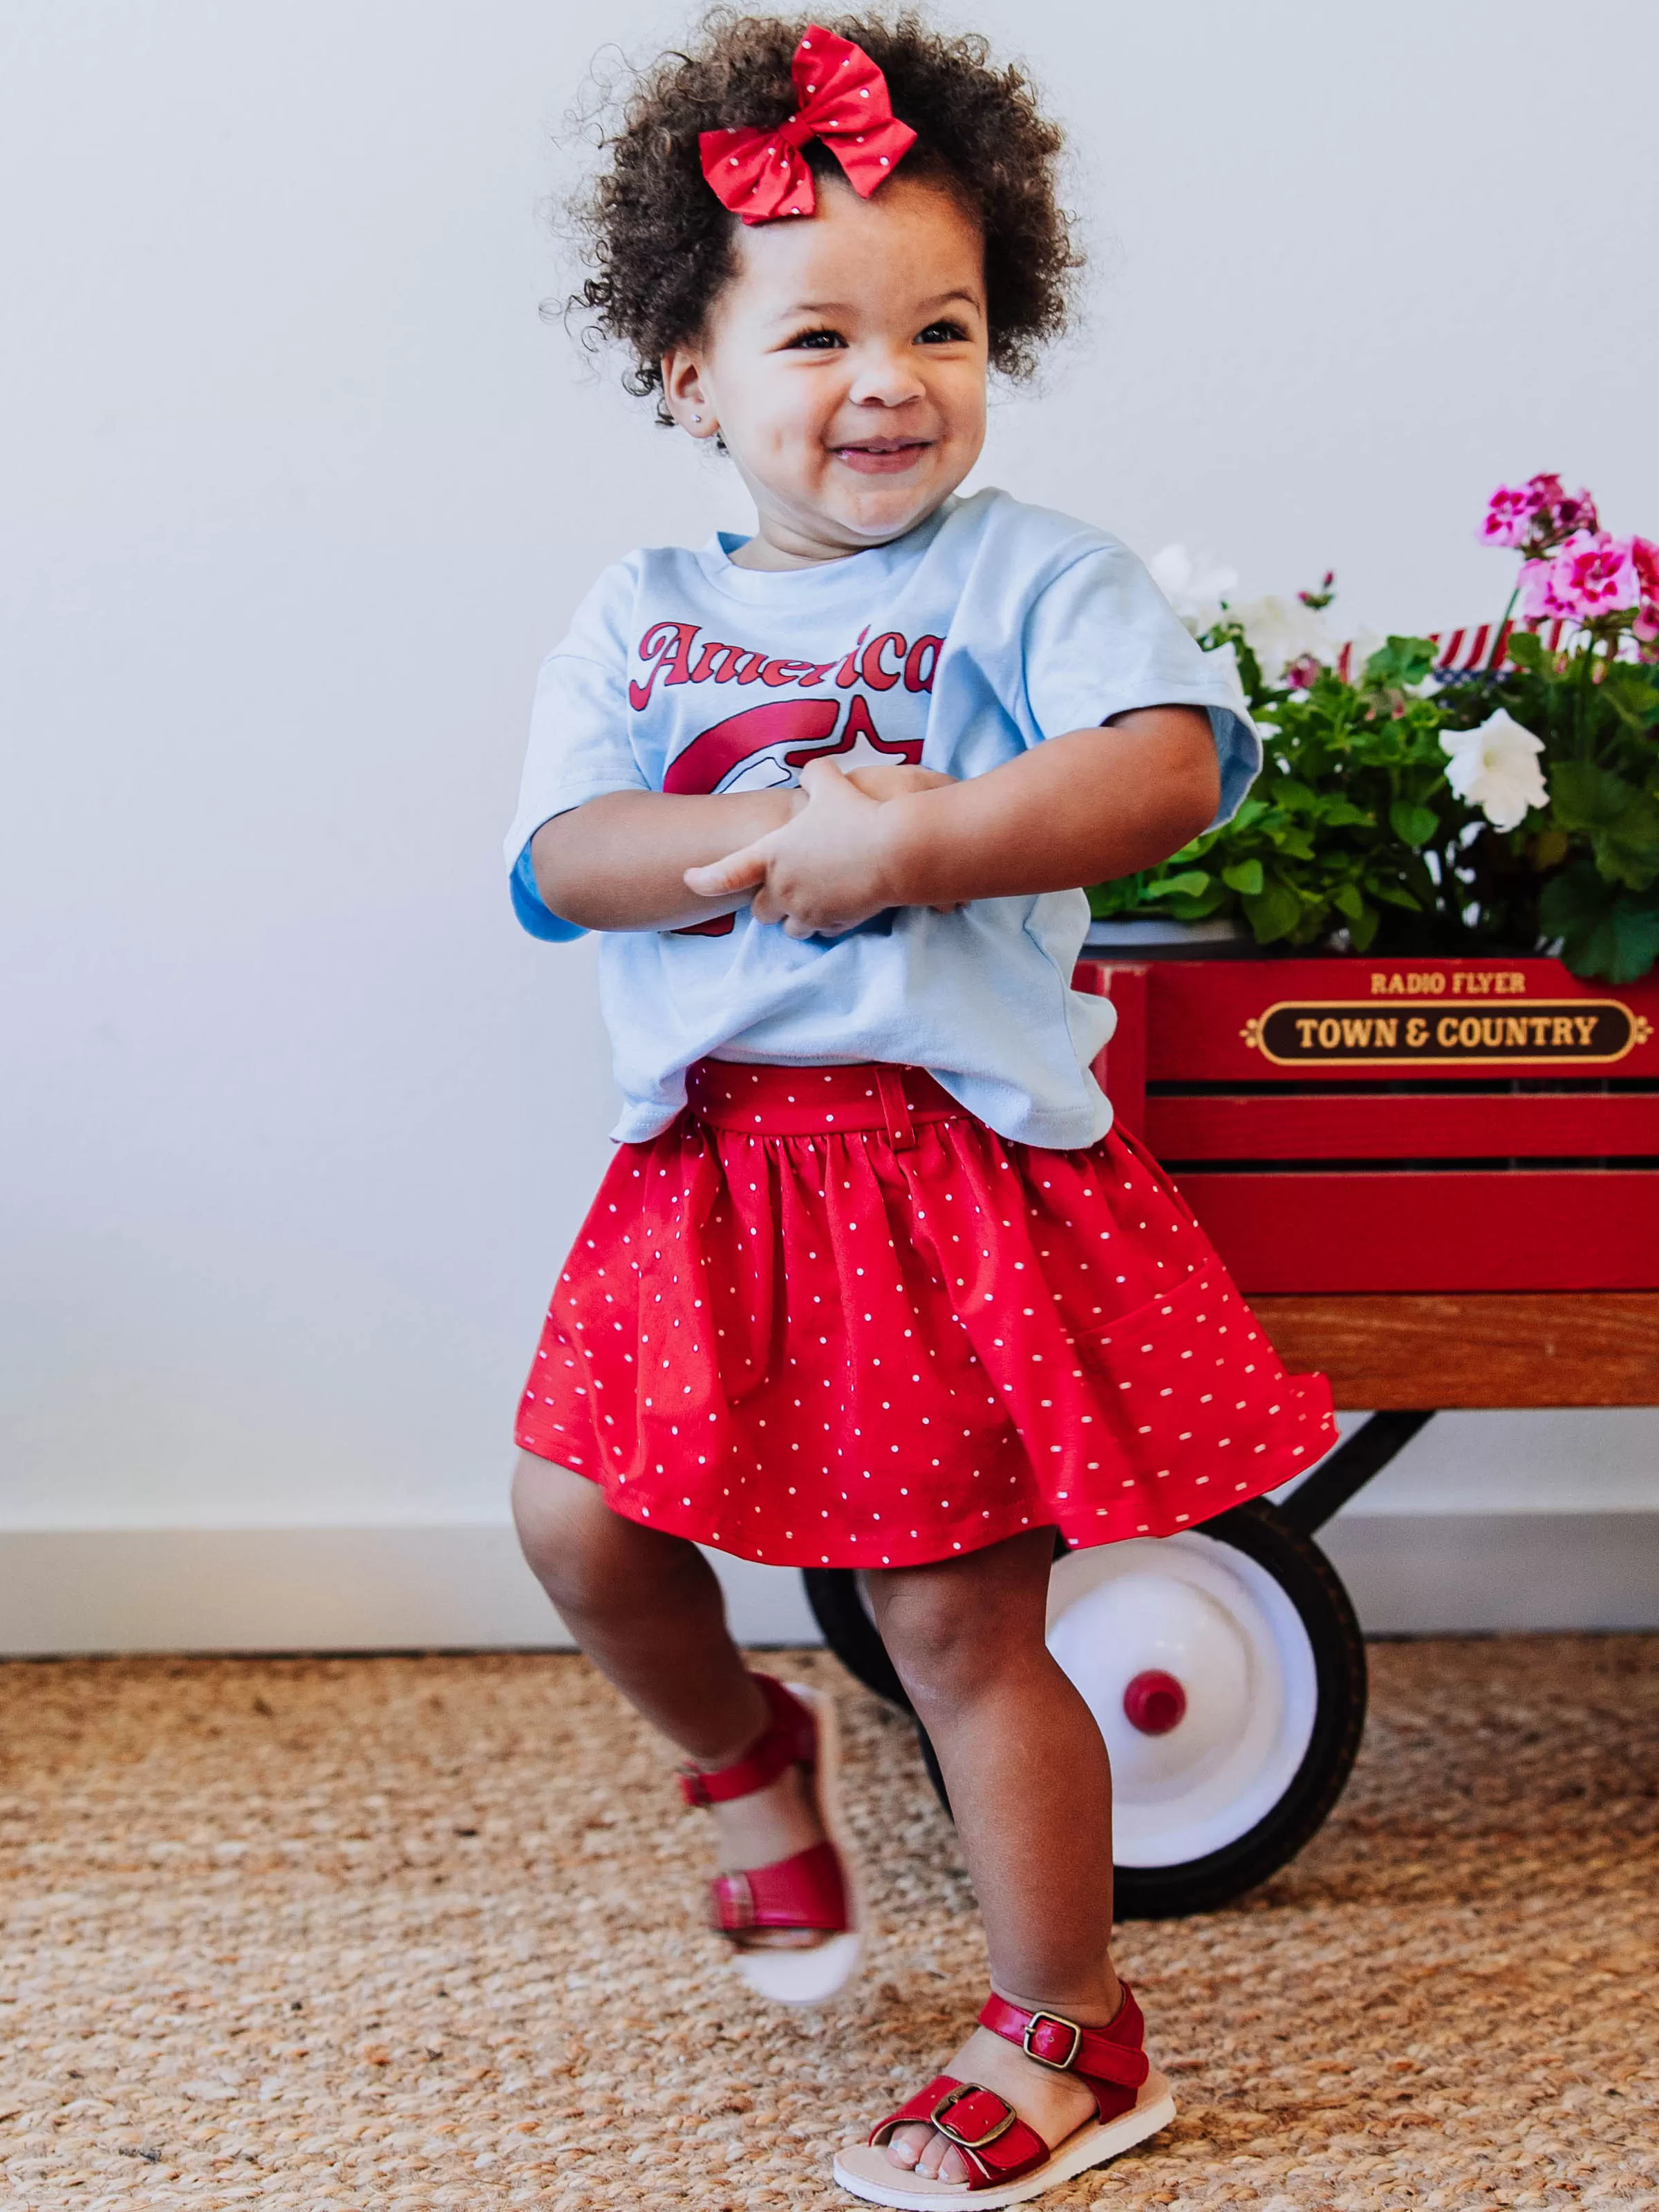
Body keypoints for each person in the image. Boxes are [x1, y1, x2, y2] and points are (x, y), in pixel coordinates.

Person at [505, 15, 1335, 2202]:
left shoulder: (1027, 579)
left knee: (956, 1618)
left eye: (944, 327)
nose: (892, 378)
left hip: (934, 1171)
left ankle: (1073, 2030)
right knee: (579, 1527)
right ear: (689, 371)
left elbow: (1159, 769)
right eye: (821, 334)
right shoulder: (643, 610)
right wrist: (767, 821)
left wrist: (923, 839)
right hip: (706, 1174)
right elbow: (562, 860)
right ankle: (741, 1752)